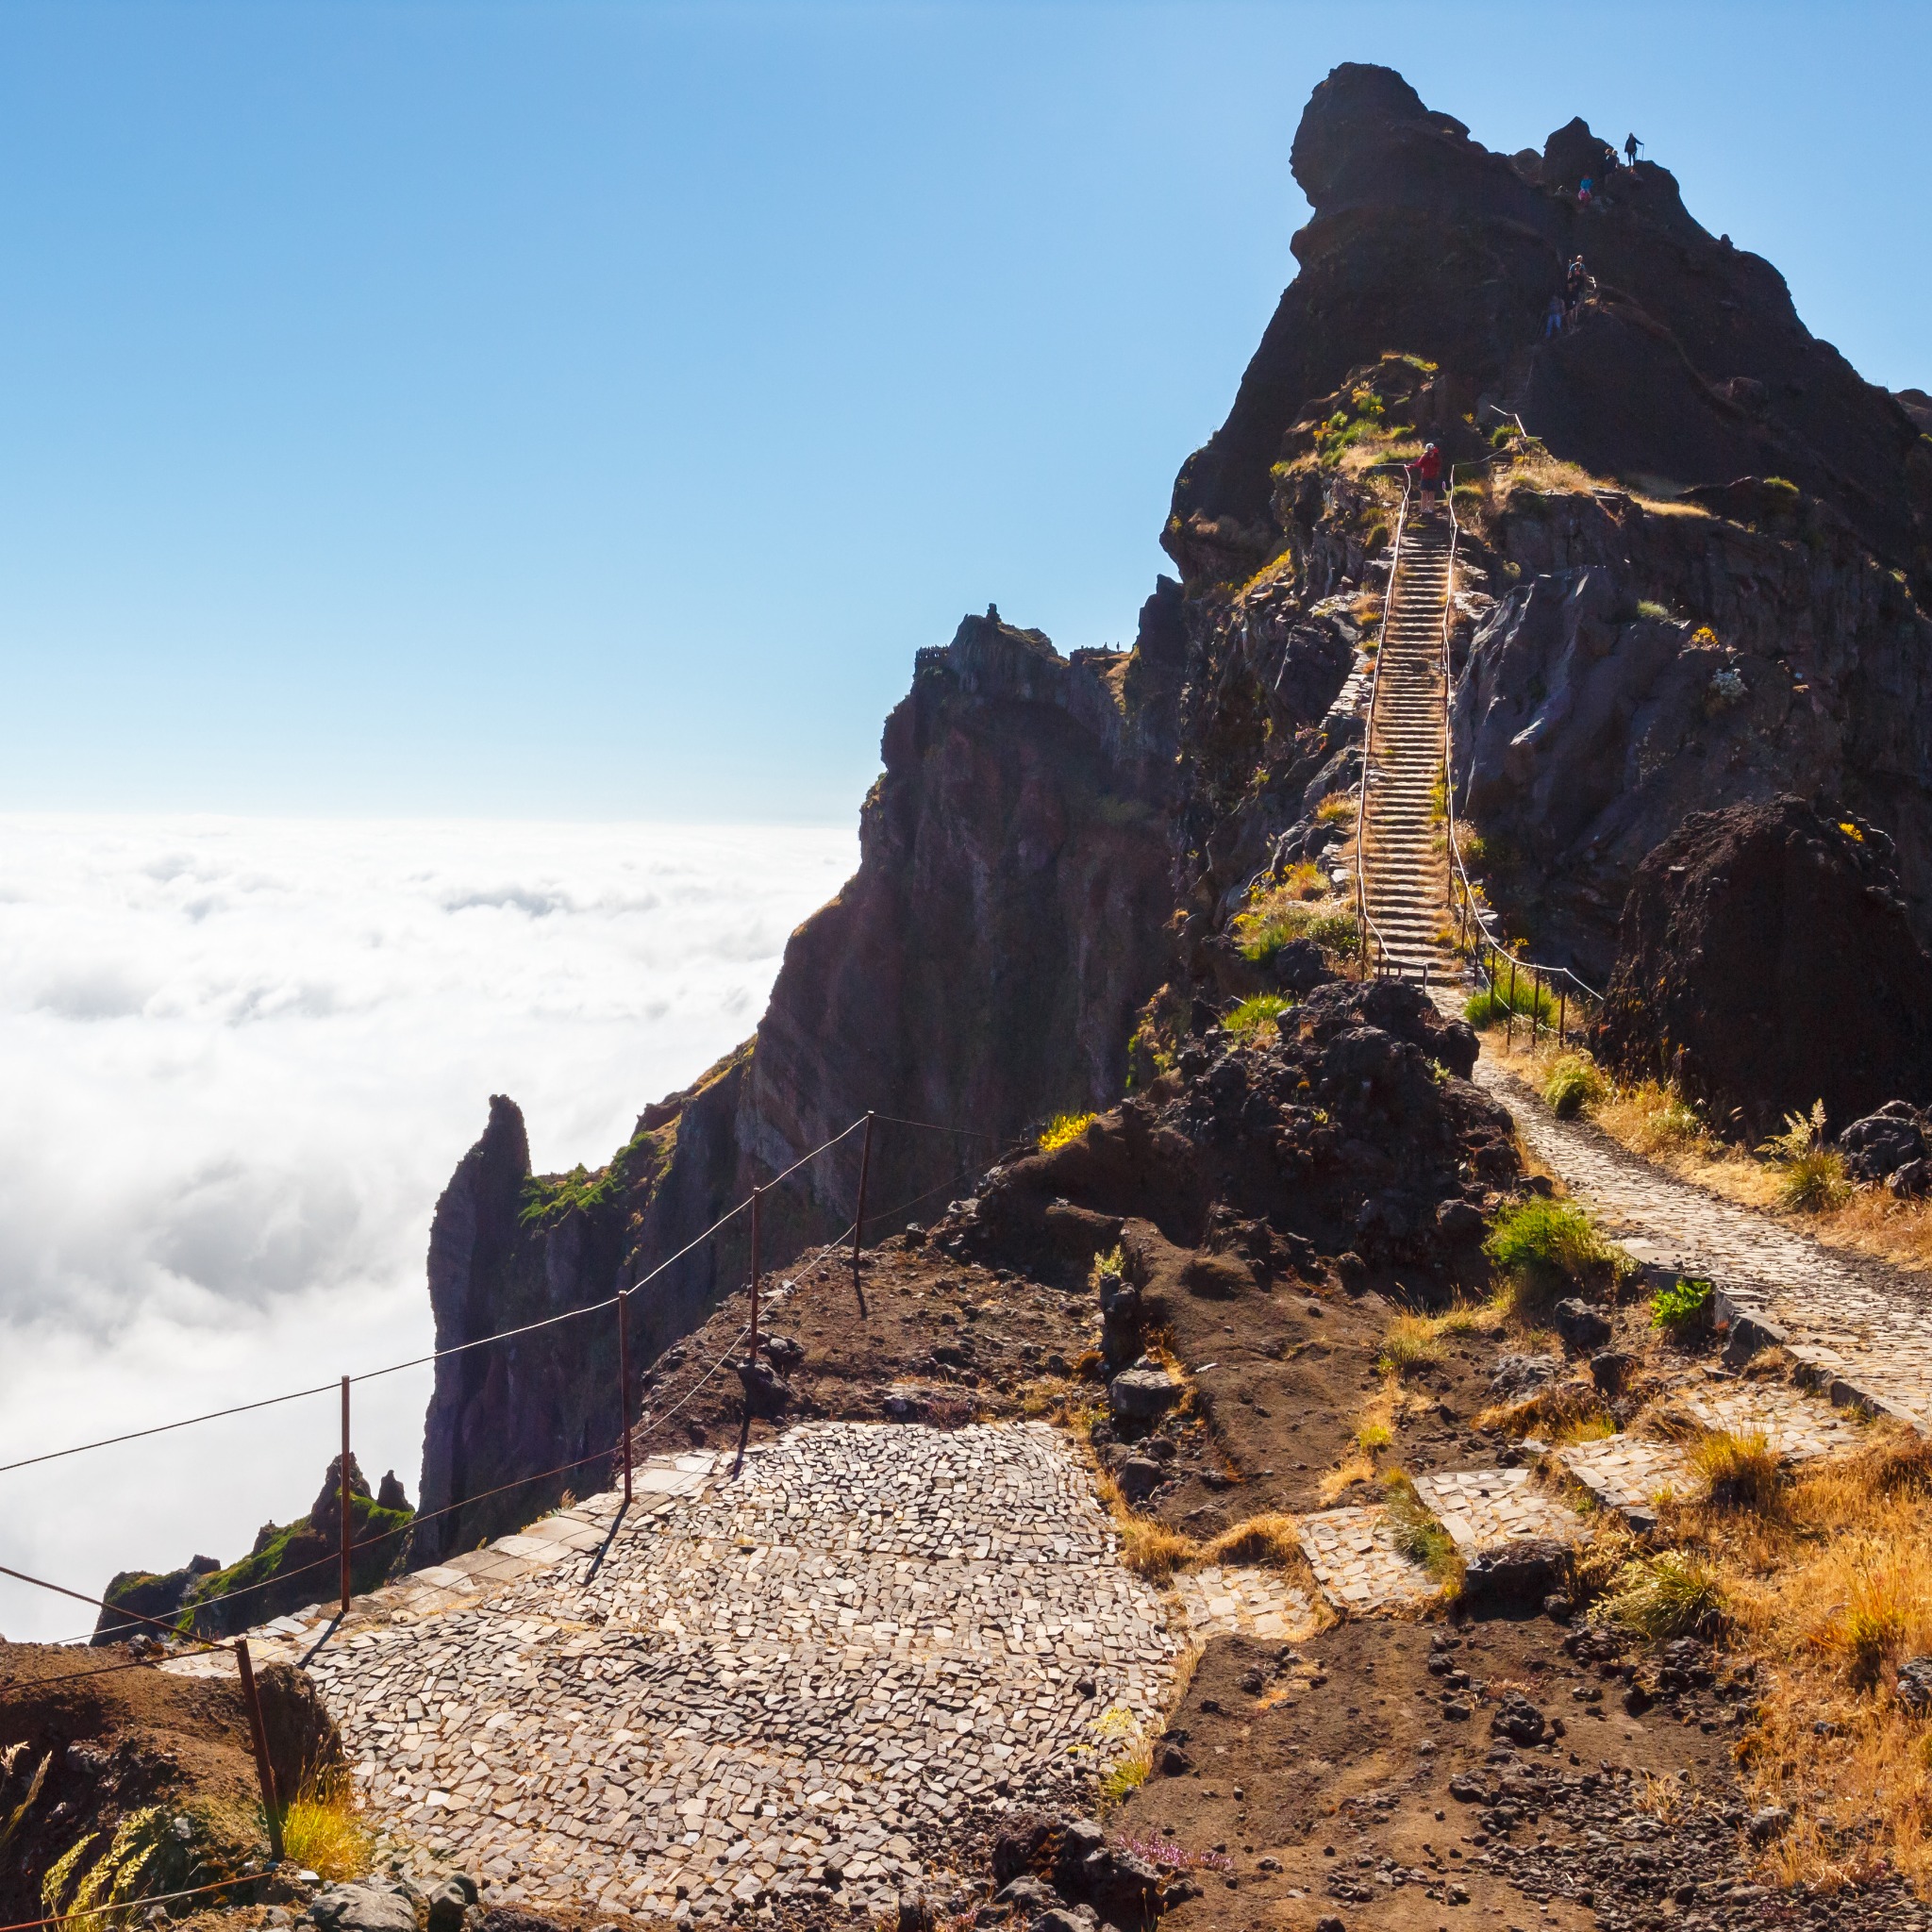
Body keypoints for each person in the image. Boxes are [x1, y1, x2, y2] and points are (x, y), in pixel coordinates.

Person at [1415, 441, 1442, 507]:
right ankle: (1423, 509)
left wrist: (1432, 457)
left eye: (1431, 450)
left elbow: (1438, 464)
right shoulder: (1424, 456)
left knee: (1431, 494)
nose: (1430, 452)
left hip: (1433, 477)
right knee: (1424, 493)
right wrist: (1425, 457)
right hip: (1425, 477)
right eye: (1429, 450)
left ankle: (1431, 509)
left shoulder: (1437, 457)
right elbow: (1419, 464)